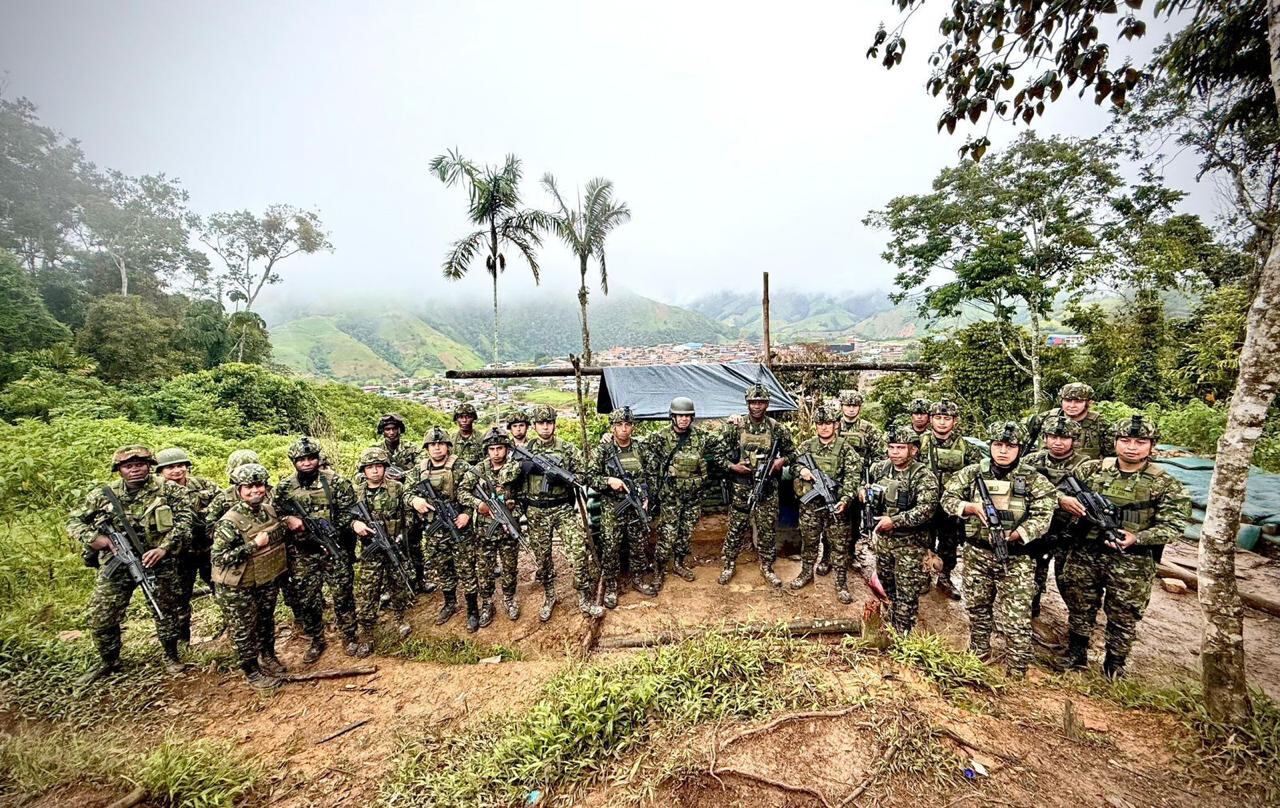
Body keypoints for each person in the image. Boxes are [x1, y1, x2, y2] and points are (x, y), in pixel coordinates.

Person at [1060, 415, 1190, 679]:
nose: (1132, 447)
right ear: (1116, 442)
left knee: (1124, 613)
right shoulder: (1092, 470)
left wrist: (1137, 538)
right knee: (1080, 604)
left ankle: (1115, 664)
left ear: (1152, 445)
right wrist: (1063, 501)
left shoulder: (1164, 483)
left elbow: (1174, 525)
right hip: (1086, 552)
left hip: (1132, 561)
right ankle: (1076, 655)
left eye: (1140, 441)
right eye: (1125, 440)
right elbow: (1053, 491)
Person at [68, 445, 192, 684]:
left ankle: (171, 655)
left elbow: (186, 522)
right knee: (102, 615)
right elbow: (74, 521)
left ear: (149, 466)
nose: (135, 470)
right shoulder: (103, 495)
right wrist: (96, 539)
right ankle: (109, 660)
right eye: (128, 466)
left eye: (140, 464)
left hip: (157, 561)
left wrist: (164, 548)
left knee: (165, 610)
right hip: (116, 563)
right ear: (119, 470)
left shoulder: (168, 490)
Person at [942, 422, 1057, 678]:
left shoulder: (1033, 479)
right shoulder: (972, 473)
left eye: (1010, 446)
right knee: (977, 606)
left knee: (1016, 616)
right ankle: (979, 650)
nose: (1003, 451)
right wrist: (970, 508)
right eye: (998, 445)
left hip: (1016, 557)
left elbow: (1043, 516)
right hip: (977, 553)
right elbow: (947, 498)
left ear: (1020, 448)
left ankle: (1017, 669)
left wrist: (1016, 534)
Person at [500, 405, 601, 620]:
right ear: (534, 426)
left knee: (578, 552)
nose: (545, 427)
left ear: (554, 424)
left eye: (549, 422)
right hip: (536, 511)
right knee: (543, 559)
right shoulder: (524, 450)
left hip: (563, 508)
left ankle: (584, 599)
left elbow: (583, 475)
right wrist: (524, 466)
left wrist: (561, 477)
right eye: (541, 423)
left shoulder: (567, 448)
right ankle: (550, 596)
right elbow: (505, 476)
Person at [276, 436, 364, 662]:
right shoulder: (285, 487)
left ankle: (349, 636)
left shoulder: (336, 483)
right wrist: (289, 520)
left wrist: (332, 529)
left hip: (333, 548)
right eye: (301, 459)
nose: (306, 463)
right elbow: (274, 513)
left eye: (311, 458)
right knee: (308, 599)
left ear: (318, 459)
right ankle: (316, 639)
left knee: (343, 595)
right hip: (303, 553)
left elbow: (351, 512)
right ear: (293, 461)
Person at [210, 463, 288, 690]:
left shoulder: (269, 511)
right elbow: (219, 558)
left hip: (264, 578)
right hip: (237, 586)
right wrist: (253, 545)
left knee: (265, 620)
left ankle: (268, 655)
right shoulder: (230, 522)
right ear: (238, 490)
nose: (255, 491)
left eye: (259, 485)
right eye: (248, 487)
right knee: (244, 630)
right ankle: (252, 671)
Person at [718, 384, 796, 587]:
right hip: (742, 488)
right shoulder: (736, 427)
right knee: (735, 528)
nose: (757, 406)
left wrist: (781, 461)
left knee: (767, 530)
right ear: (747, 403)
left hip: (767, 489)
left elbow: (793, 452)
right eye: (753, 402)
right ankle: (728, 564)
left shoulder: (776, 428)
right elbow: (718, 456)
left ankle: (767, 567)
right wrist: (734, 467)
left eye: (761, 402)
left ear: (767, 404)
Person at [865, 423, 940, 631]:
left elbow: (926, 510)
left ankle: (903, 632)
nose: (895, 452)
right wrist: (864, 493)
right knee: (886, 583)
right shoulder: (879, 468)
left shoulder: (923, 476)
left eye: (900, 447)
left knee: (906, 591)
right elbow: (866, 487)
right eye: (891, 447)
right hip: (884, 541)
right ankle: (891, 617)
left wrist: (895, 521)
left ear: (913, 450)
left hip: (910, 544)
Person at [406, 427, 480, 630]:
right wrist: (415, 501)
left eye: (441, 444)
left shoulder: (461, 466)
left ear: (448, 446)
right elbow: (406, 492)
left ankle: (473, 609)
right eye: (432, 445)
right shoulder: (418, 469)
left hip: (459, 526)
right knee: (442, 567)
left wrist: (467, 513)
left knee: (466, 567)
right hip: (433, 530)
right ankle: (450, 603)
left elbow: (474, 492)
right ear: (427, 448)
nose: (437, 447)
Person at [1023, 415, 1091, 619]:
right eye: (1052, 436)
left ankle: (1079, 623)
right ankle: (1031, 606)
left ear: (1074, 440)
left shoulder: (1086, 466)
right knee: (1033, 570)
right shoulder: (1032, 460)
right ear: (1044, 437)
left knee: (1069, 579)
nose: (1058, 442)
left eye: (1064, 438)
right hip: (1037, 525)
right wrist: (1059, 499)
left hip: (1069, 530)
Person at [645, 396, 716, 590]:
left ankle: (678, 564)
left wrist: (736, 423)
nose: (684, 419)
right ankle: (659, 571)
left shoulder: (701, 437)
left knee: (684, 535)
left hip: (692, 498)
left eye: (687, 415)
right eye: (680, 415)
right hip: (671, 498)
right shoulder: (659, 437)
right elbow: (636, 447)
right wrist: (609, 437)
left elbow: (723, 442)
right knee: (667, 536)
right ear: (672, 417)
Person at [589, 408, 658, 606]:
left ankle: (638, 579)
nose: (623, 429)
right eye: (619, 425)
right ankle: (611, 586)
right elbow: (589, 476)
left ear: (633, 427)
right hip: (613, 508)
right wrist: (608, 481)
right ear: (612, 428)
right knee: (611, 547)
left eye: (627, 425)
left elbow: (651, 476)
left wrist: (646, 498)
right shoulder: (602, 451)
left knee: (639, 544)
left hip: (636, 507)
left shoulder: (641, 449)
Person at [792, 404, 862, 598]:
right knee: (809, 542)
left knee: (839, 547)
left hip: (836, 505)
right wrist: (801, 471)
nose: (824, 427)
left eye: (828, 423)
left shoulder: (845, 449)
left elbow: (853, 477)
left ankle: (841, 584)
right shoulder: (807, 445)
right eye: (820, 423)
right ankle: (806, 573)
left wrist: (846, 499)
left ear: (836, 425)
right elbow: (793, 462)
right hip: (810, 506)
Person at [154, 447, 221, 645]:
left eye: (181, 465)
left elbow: (223, 500)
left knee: (221, 588)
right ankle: (182, 641)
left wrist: (208, 516)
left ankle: (234, 628)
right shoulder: (156, 493)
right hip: (178, 554)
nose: (177, 470)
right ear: (160, 472)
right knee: (179, 600)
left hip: (208, 549)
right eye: (170, 467)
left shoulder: (202, 484)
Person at [352, 448, 414, 653]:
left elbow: (408, 515)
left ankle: (400, 618)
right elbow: (344, 516)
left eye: (379, 466)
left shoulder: (397, 488)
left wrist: (400, 534)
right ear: (364, 470)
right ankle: (367, 631)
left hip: (393, 545)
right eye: (370, 467)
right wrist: (355, 524)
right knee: (368, 591)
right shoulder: (356, 492)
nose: (375, 471)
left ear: (385, 467)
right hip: (370, 548)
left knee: (398, 583)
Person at [458, 426, 523, 623]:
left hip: (508, 527)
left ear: (506, 449)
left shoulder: (514, 469)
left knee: (510, 567)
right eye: (492, 449)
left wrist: (513, 510)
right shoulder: (478, 470)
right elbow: (462, 492)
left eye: (500, 448)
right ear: (487, 450)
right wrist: (479, 504)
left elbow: (524, 495)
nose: (496, 453)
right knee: (485, 570)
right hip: (485, 530)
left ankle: (509, 599)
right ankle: (487, 603)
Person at [920, 399, 982, 599]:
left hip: (952, 505)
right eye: (938, 417)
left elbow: (976, 476)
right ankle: (925, 575)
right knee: (924, 539)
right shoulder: (919, 443)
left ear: (954, 421)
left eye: (947, 418)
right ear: (931, 419)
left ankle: (945, 577)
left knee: (949, 542)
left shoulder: (966, 447)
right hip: (925, 502)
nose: (942, 422)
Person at [829, 390, 882, 577]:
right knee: (831, 517)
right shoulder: (832, 425)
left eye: (854, 406)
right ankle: (827, 556)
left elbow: (879, 458)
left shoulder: (869, 429)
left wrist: (868, 483)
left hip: (859, 481)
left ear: (859, 407)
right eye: (847, 405)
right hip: (835, 480)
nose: (851, 410)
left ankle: (850, 554)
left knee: (854, 520)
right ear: (841, 406)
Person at [1027, 383, 1113, 460]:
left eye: (1078, 401)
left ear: (1089, 403)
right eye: (1068, 400)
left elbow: (1113, 457)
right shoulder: (1045, 418)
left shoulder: (1101, 424)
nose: (1072, 406)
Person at [375, 412, 419, 479]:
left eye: (394, 429)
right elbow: (360, 472)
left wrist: (403, 475)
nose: (391, 433)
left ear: (399, 430)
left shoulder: (412, 448)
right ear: (383, 431)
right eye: (387, 429)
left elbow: (423, 466)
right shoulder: (375, 450)